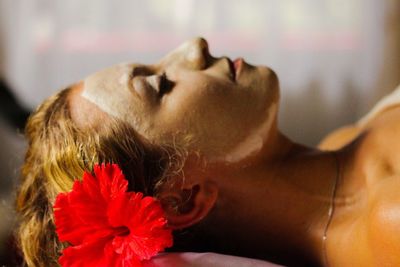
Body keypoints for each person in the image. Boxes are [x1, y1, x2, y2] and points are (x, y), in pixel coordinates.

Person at [16, 37, 400, 267]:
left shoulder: (340, 147)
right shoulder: (389, 220)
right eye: (161, 84)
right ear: (184, 199)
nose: (194, 46)